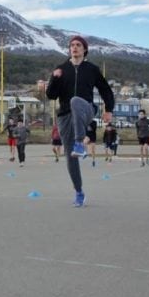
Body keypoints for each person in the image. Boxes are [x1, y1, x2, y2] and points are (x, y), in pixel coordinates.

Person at [46, 35, 114, 207]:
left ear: (84, 49)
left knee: (75, 101)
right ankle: (79, 192)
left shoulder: (92, 69)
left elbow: (106, 90)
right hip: (65, 117)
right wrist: (54, 78)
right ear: (69, 49)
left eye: (78, 45)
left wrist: (109, 110)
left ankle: (79, 143)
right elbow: (51, 95)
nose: (74, 48)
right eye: (72, 45)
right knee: (71, 157)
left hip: (86, 110)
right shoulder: (61, 69)